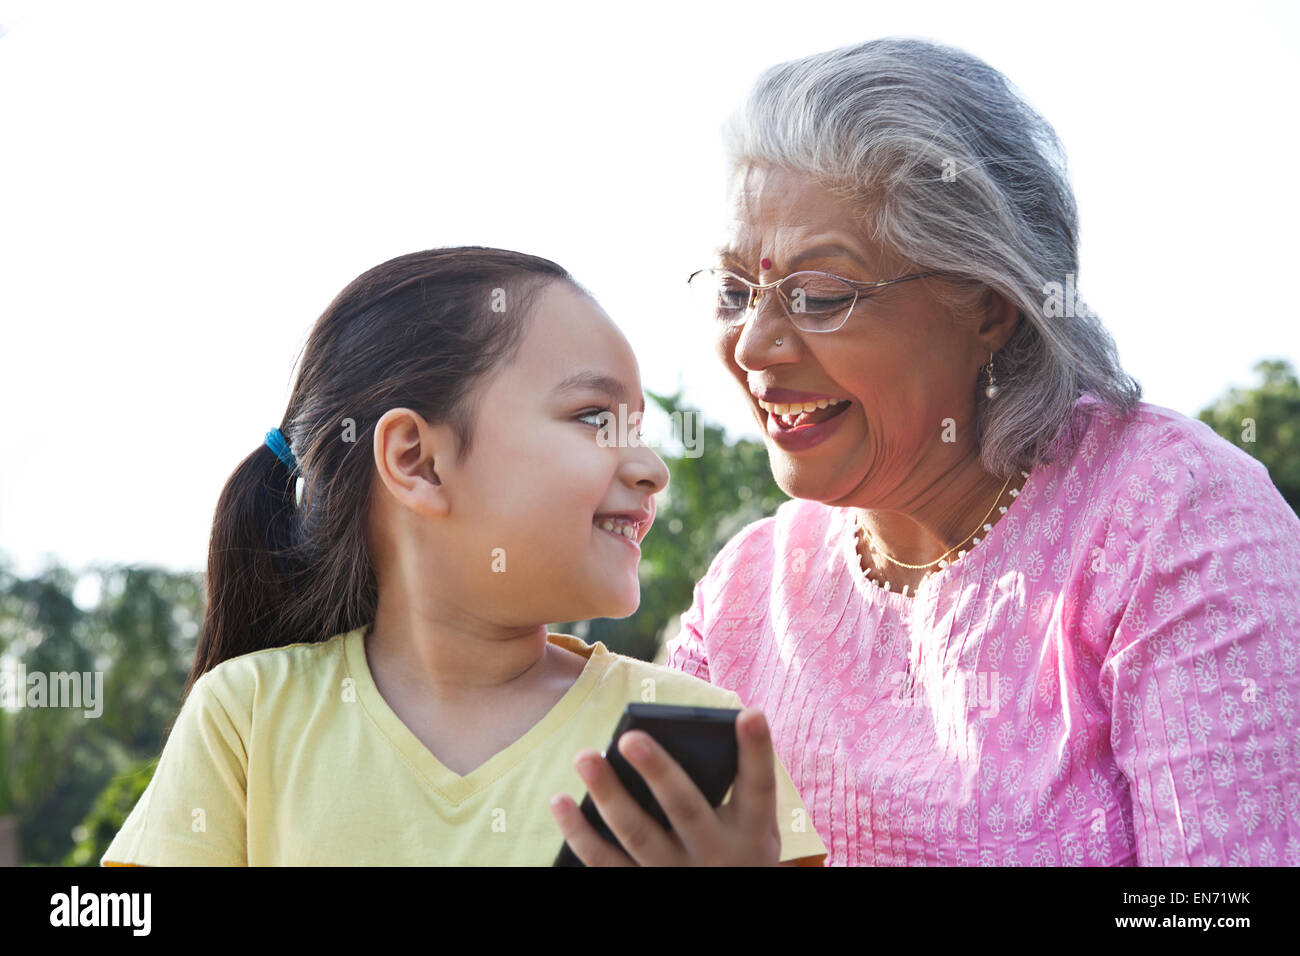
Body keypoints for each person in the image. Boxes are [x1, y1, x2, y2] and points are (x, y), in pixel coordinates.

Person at [620, 37, 1300, 866]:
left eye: (821, 296)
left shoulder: (1173, 521)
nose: (755, 345)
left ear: (989, 306)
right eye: (734, 291)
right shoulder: (749, 592)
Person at [100, 247, 827, 866]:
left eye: (638, 427)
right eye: (595, 419)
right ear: (417, 461)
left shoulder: (694, 732)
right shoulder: (248, 717)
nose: (650, 468)